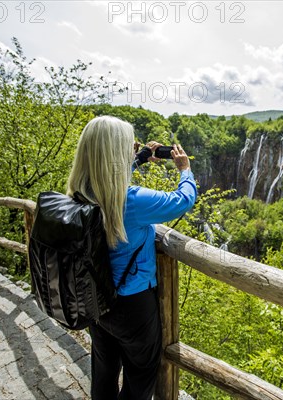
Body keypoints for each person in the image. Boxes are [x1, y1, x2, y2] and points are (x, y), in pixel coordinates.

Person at [66, 115, 197, 399]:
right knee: (140, 374)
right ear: (112, 154)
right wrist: (184, 169)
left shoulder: (80, 192)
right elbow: (183, 200)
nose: (131, 150)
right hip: (132, 305)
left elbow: (109, 179)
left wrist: (138, 160)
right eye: (126, 146)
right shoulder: (132, 201)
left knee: (104, 368)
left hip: (95, 297)